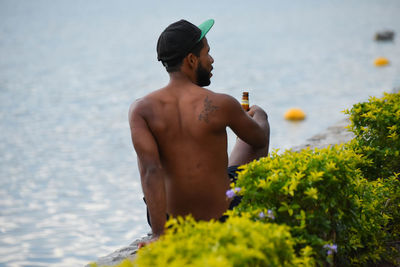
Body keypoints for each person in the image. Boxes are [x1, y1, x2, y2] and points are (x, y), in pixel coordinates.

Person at [128, 19, 270, 246]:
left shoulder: (141, 109)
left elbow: (150, 171)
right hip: (222, 217)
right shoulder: (221, 103)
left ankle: (159, 230)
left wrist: (158, 235)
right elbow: (258, 140)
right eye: (208, 53)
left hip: (169, 222)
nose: (212, 60)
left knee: (149, 163)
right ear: (192, 60)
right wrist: (260, 116)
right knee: (258, 131)